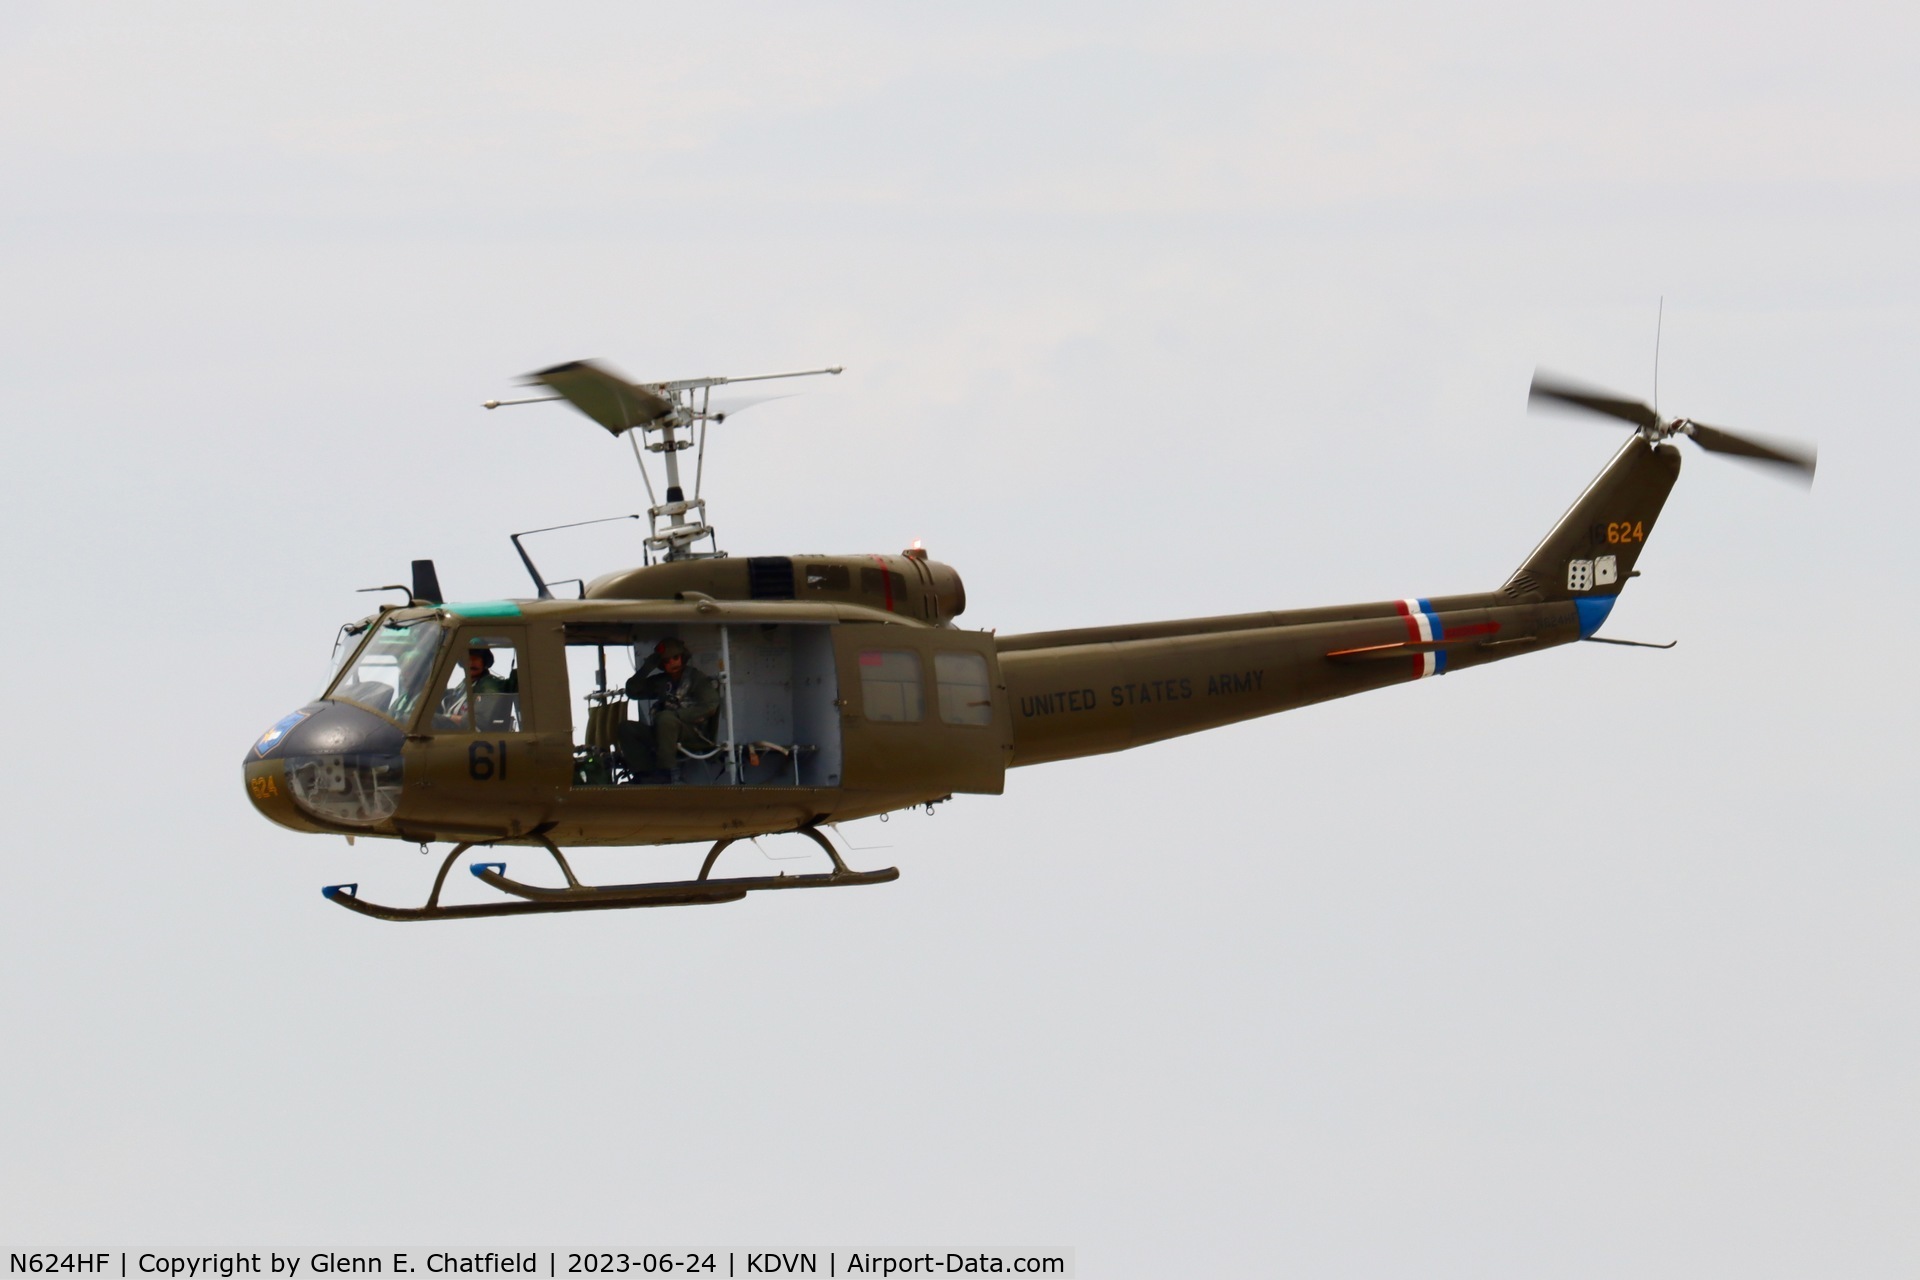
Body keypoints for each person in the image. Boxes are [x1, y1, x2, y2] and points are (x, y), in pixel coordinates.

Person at [618, 637, 720, 782]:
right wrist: (647, 667)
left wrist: (677, 715)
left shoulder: (695, 678)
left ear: (683, 657)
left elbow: (710, 705)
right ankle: (644, 774)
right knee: (626, 728)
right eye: (666, 661)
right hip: (664, 731)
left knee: (665, 718)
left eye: (675, 657)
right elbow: (632, 691)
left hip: (693, 733)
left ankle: (666, 772)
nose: (672, 663)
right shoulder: (661, 682)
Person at [440, 645, 519, 729]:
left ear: (484, 662)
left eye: (476, 658)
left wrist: (442, 719)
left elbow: (478, 722)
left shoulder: (490, 686)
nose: (471, 663)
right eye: (467, 658)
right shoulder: (465, 685)